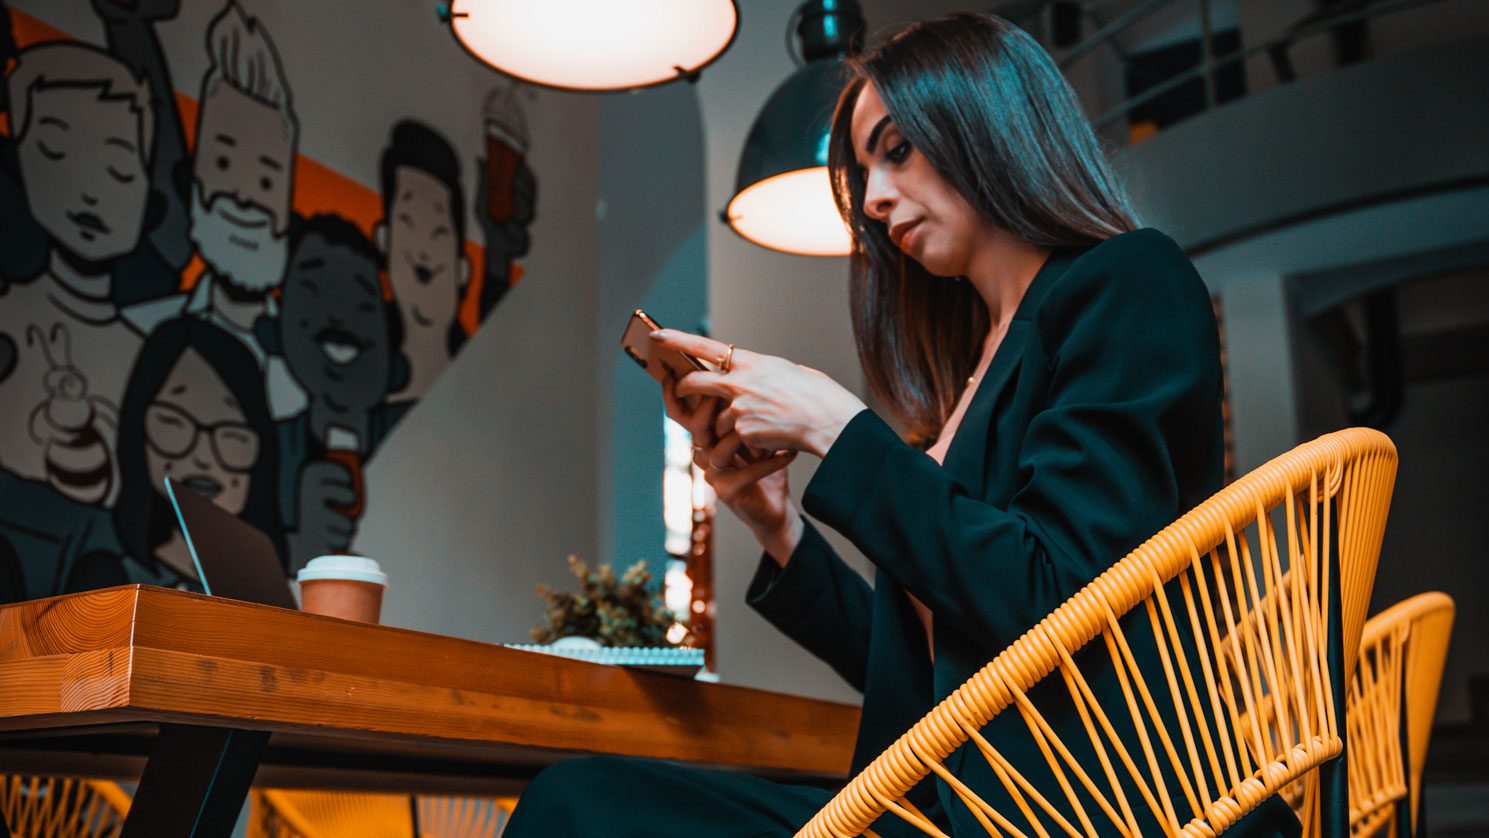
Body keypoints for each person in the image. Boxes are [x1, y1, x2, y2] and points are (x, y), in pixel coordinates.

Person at [505, 13, 1299, 838]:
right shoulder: (971, 376)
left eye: (897, 150)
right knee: (583, 795)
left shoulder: (1127, 280)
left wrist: (837, 426)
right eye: (865, 172)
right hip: (960, 801)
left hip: (1083, 808)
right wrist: (776, 527)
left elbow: (1057, 599)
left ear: (987, 125)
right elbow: (929, 672)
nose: (874, 200)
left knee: (581, 805)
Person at [64, 317, 284, 593]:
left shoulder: (259, 590)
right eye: (173, 423)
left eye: (232, 436)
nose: (203, 457)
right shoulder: (110, 576)